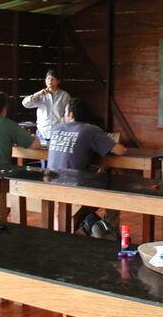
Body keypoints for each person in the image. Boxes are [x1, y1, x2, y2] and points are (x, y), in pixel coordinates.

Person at [46, 98, 126, 238]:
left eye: (64, 113)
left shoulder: (56, 128)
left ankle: (88, 226)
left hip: (50, 183)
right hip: (74, 186)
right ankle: (109, 232)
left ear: (70, 114)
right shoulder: (90, 129)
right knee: (114, 193)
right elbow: (120, 150)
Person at [21, 69, 70, 144]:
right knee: (40, 155)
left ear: (58, 81)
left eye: (52, 79)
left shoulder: (64, 96)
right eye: (48, 78)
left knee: (54, 155)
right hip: (42, 132)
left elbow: (69, 113)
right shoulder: (41, 95)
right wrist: (37, 94)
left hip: (58, 132)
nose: (49, 81)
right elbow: (25, 104)